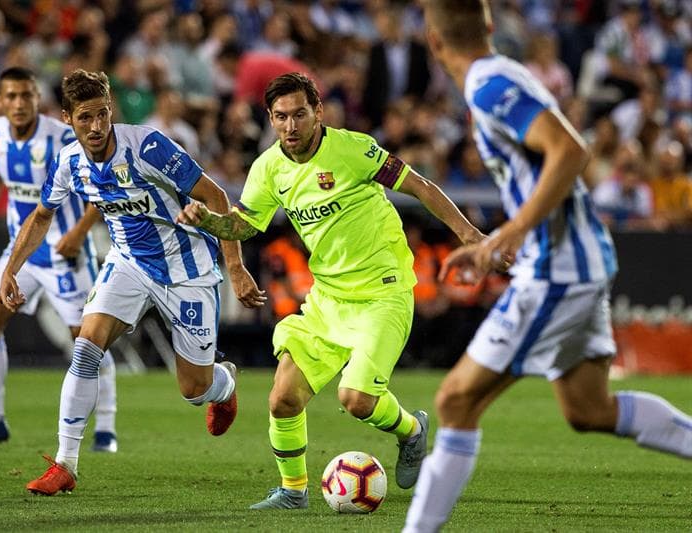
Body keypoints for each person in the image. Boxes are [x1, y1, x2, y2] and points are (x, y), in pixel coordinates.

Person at [404, 2, 692, 531]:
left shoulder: (488, 85)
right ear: (490, 27)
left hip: (559, 269)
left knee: (456, 400)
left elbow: (569, 150)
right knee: (589, 409)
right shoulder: (505, 73)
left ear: (434, 41)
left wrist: (512, 231)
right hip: (579, 259)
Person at [176, 72, 484, 509]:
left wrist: (468, 234)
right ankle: (293, 491)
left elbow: (420, 186)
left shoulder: (354, 149)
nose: (290, 126)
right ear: (270, 119)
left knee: (356, 400)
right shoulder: (268, 168)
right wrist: (209, 222)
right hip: (328, 299)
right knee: (283, 398)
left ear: (318, 112)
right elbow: (242, 225)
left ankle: (412, 430)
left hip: (383, 292)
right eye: (281, 117)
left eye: (299, 114)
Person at [0, 69, 264, 496]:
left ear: (111, 109)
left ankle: (224, 384)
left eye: (102, 114)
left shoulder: (148, 146)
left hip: (186, 268)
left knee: (193, 389)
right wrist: (11, 268)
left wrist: (234, 266)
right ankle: (65, 463)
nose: (96, 126)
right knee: (86, 346)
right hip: (128, 263)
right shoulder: (69, 162)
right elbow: (42, 214)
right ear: (67, 118)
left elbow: (215, 196)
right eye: (85, 117)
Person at [0, 67, 119, 454]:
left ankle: (105, 427)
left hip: (65, 254)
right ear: (0, 101)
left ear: (37, 99)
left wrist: (78, 233)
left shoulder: (62, 136)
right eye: (11, 96)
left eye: (26, 95)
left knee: (88, 339)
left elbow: (101, 184)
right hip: (23, 251)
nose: (19, 103)